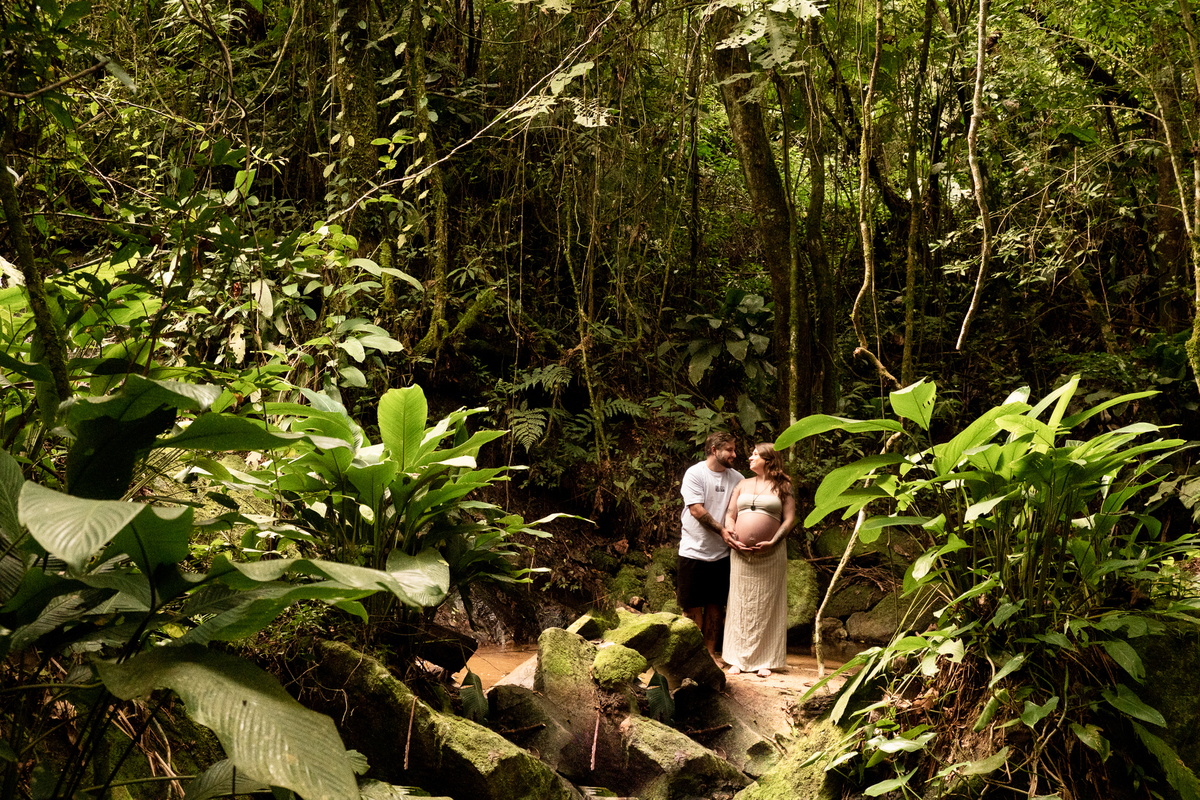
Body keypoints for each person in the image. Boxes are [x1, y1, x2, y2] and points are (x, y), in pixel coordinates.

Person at [722, 442, 795, 678]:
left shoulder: (783, 485)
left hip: (771, 553)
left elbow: (789, 519)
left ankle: (766, 660)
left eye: (755, 454)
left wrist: (773, 541)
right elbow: (730, 515)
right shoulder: (742, 484)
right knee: (740, 603)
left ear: (769, 460)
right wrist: (731, 533)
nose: (750, 458)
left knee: (768, 604)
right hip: (741, 553)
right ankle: (737, 659)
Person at [677, 431, 743, 662]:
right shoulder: (695, 474)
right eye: (730, 450)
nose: (734, 454)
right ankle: (692, 656)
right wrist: (722, 530)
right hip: (693, 550)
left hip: (722, 554)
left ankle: (710, 653)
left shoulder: (737, 478)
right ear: (714, 450)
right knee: (691, 605)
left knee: (716, 605)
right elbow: (696, 509)